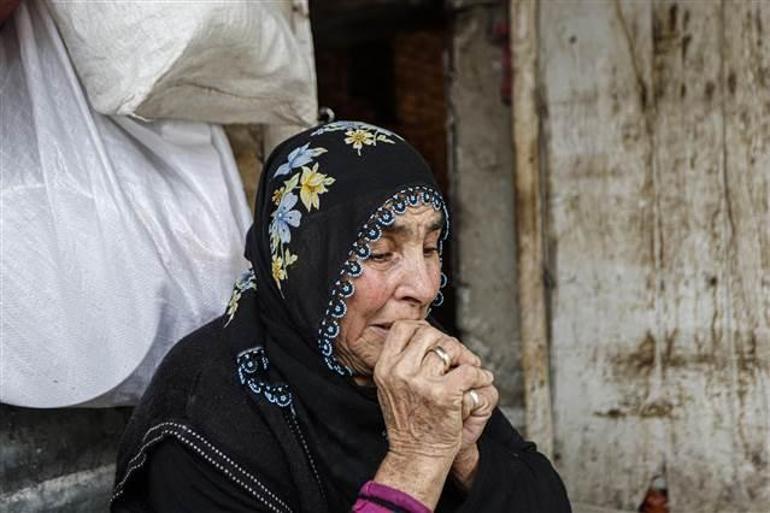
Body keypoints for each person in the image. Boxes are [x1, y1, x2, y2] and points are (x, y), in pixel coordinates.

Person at [111, 120, 571, 513]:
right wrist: (419, 456)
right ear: (306, 267)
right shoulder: (203, 423)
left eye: (430, 249)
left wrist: (467, 456)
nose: (425, 288)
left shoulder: (403, 357)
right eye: (379, 252)